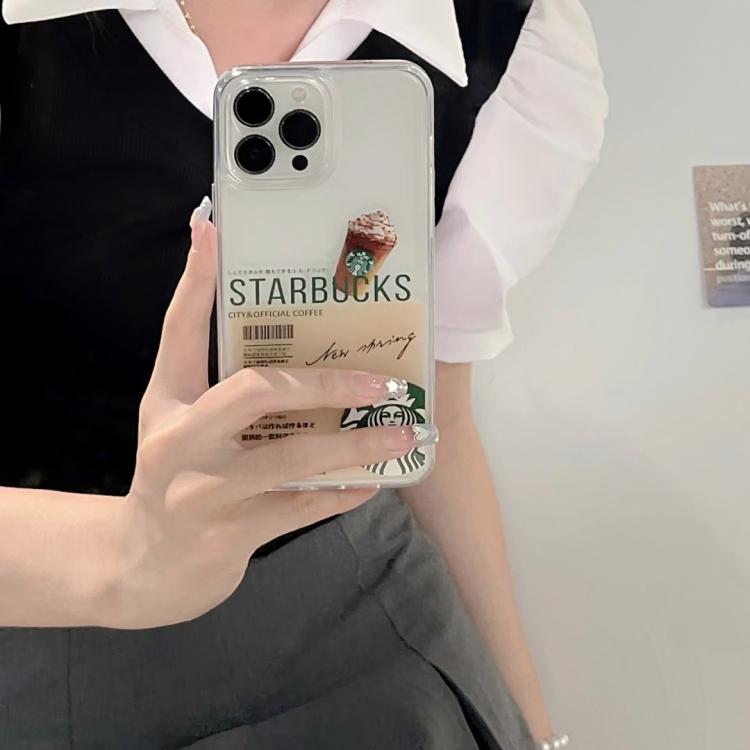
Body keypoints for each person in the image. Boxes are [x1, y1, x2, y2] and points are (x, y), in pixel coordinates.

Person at [0, 0, 608, 748]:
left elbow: (428, 418)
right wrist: (120, 555)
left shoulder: (501, 34)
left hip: (372, 626)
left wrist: (531, 735)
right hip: (51, 638)